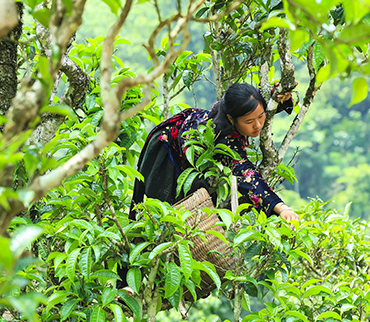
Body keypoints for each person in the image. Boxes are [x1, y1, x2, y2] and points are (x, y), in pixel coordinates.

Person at [129, 82, 300, 222]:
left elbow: (261, 100)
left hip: (191, 138)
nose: (258, 125)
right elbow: (248, 177)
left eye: (261, 116)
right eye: (249, 121)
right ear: (231, 119)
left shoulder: (248, 102)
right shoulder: (224, 138)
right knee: (164, 215)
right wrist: (281, 208)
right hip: (167, 149)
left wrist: (280, 94)